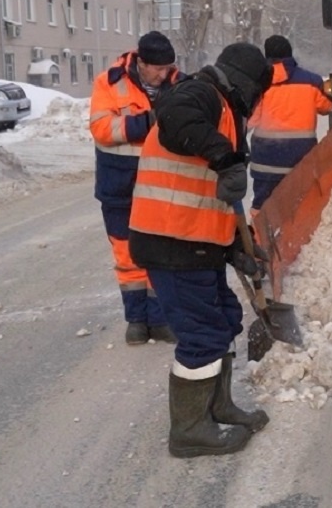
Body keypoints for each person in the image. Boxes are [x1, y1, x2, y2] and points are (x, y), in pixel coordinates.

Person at [128, 42, 273, 458]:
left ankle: (218, 406)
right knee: (202, 334)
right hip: (171, 242)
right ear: (247, 84)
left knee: (224, 319)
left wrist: (235, 246)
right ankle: (189, 431)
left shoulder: (226, 111)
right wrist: (225, 159)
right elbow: (174, 118)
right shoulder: (201, 94)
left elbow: (211, 195)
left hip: (197, 243)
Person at [89, 30, 181, 346]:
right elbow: (102, 129)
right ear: (140, 62)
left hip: (159, 184)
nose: (163, 74)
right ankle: (136, 321)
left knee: (159, 252)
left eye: (168, 67)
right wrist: (148, 121)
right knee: (126, 253)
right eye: (157, 68)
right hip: (118, 183)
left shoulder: (178, 82)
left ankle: (159, 320)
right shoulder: (109, 82)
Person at [246, 34, 332, 221]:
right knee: (301, 203)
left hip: (265, 162)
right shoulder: (311, 82)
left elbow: (250, 121)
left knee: (261, 205)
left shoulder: (259, 84)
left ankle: (260, 241)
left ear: (266, 56)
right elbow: (328, 107)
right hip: (300, 160)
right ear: (290, 54)